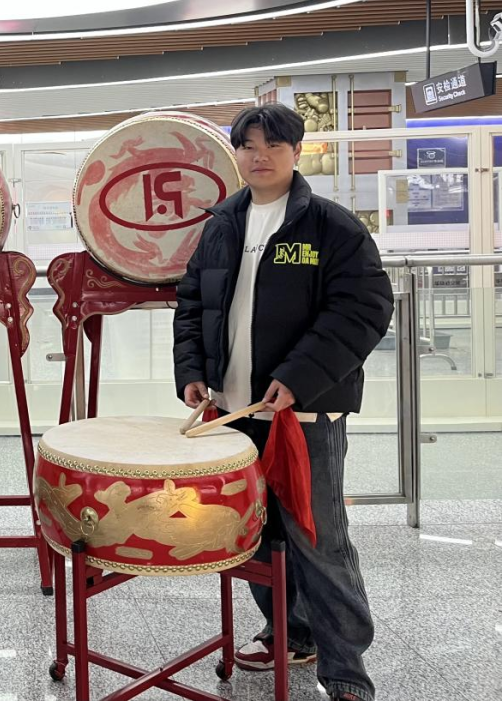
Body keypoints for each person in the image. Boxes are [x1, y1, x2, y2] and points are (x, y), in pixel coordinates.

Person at [173, 103, 394, 701]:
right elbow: (192, 303)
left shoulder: (331, 226)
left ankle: (346, 672)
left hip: (305, 413)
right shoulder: (222, 224)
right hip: (235, 413)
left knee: (317, 538)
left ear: (297, 152)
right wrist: (193, 372)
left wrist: (298, 377)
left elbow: (363, 309)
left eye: (273, 144)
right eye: (248, 145)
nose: (259, 156)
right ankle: (290, 634)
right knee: (255, 534)